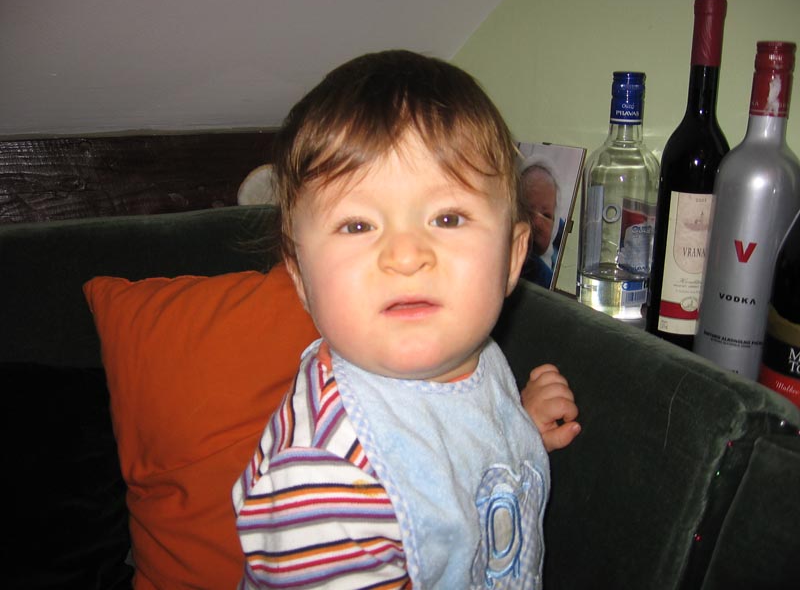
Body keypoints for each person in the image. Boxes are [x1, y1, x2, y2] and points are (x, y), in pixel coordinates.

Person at [232, 50, 578, 589]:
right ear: (300, 276)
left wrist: (517, 427)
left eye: (447, 217)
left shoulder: (471, 352)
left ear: (512, 259)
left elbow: (456, 447)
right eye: (357, 225)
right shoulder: (324, 479)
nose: (406, 254)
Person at [519, 155, 566, 289]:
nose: (537, 222)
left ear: (555, 227)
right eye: (528, 210)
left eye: (546, 215)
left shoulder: (548, 276)